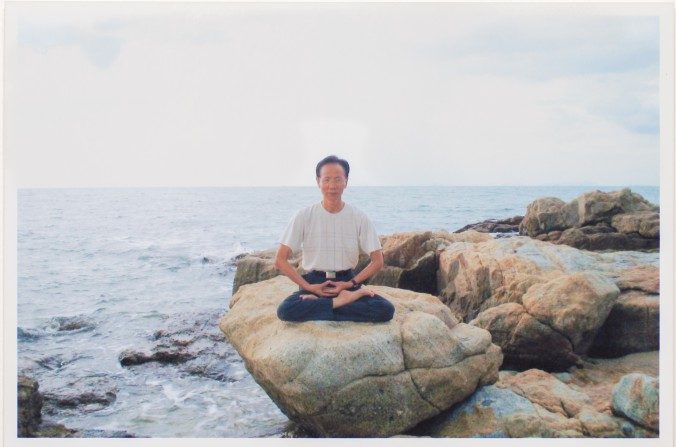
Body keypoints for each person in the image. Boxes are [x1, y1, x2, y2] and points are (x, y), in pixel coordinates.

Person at [275, 155, 395, 323]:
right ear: (318, 181)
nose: (332, 186)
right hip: (314, 282)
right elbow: (280, 259)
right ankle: (341, 301)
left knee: (386, 310)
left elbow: (377, 261)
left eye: (338, 179)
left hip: (346, 281)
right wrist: (308, 287)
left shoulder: (359, 217)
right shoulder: (304, 216)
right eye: (327, 180)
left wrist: (350, 284)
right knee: (285, 310)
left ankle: (326, 305)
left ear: (346, 181)